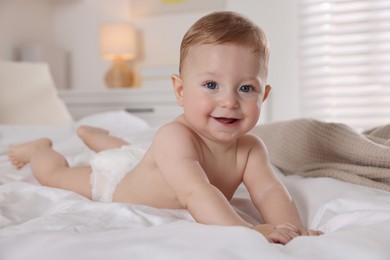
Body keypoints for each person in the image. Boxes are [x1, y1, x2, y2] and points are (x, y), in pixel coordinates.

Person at [8, 11, 322, 244]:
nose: (229, 101)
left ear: (263, 95)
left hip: (145, 162)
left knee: (133, 152)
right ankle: (41, 149)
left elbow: (270, 190)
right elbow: (196, 192)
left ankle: (99, 137)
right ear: (181, 91)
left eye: (245, 89)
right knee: (58, 175)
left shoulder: (252, 148)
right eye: (211, 84)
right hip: (116, 183)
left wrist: (291, 230)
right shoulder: (175, 136)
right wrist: (250, 232)